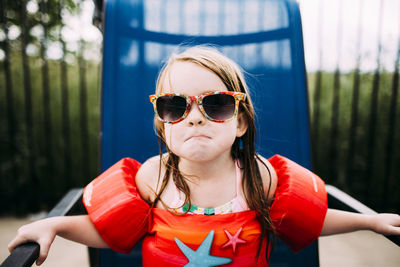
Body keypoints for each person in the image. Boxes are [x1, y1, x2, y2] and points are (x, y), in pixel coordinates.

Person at [8, 46, 400, 266]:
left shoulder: (257, 176)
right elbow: (110, 232)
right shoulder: (152, 177)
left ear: (241, 123)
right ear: (163, 124)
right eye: (175, 105)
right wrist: (57, 226)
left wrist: (370, 221)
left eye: (216, 104)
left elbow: (309, 219)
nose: (195, 117)